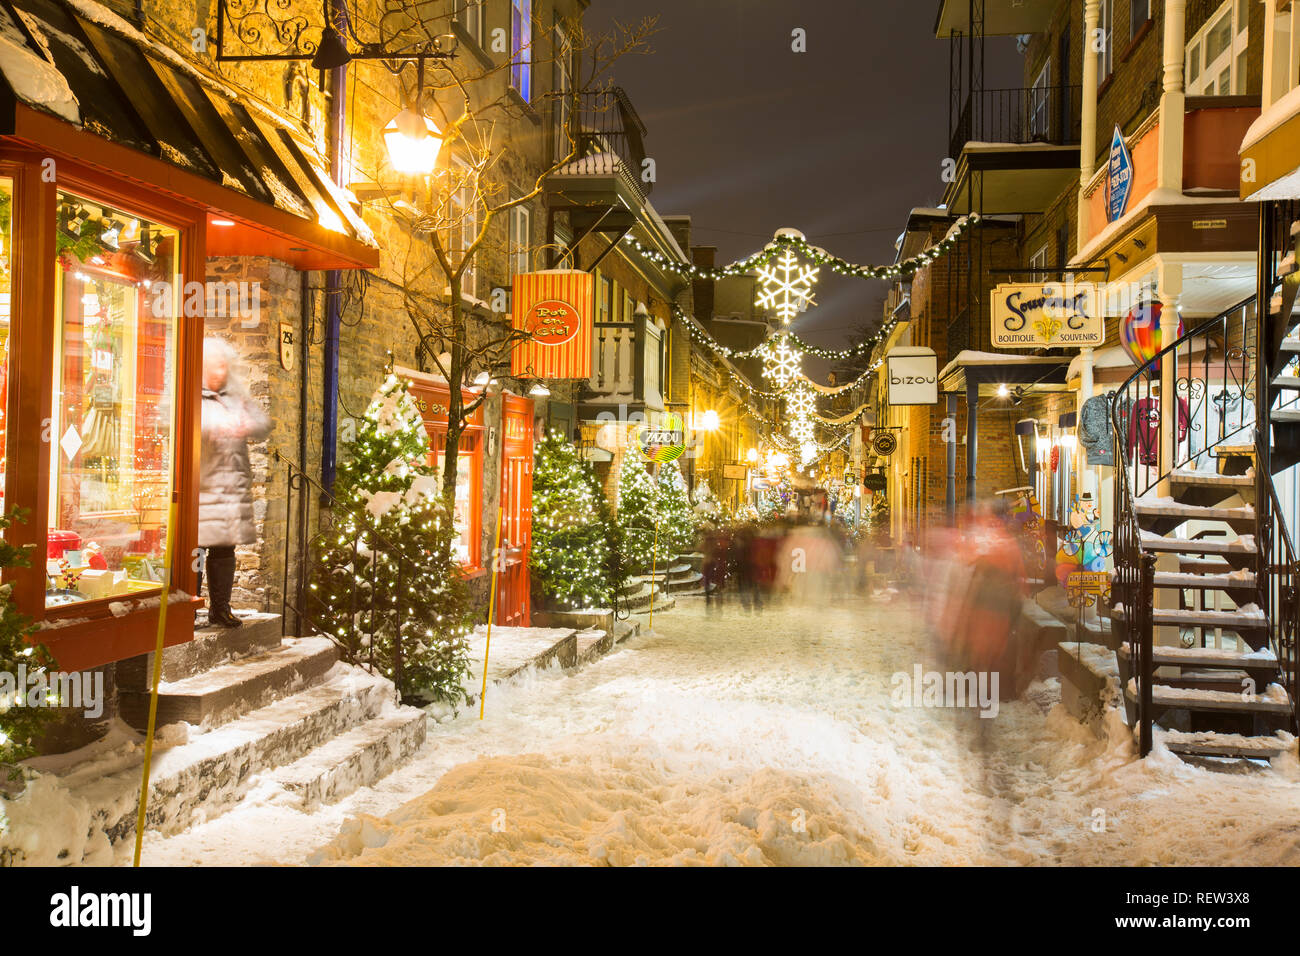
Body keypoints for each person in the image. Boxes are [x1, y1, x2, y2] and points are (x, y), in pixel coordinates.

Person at [197, 337, 272, 628]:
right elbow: (173, 421)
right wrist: (214, 427)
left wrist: (245, 423)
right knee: (196, 549)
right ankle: (189, 608)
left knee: (225, 549)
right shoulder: (192, 394)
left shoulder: (235, 397)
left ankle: (220, 608)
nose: (220, 371)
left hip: (230, 488)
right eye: (215, 366)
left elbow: (263, 424)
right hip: (201, 485)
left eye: (224, 366)